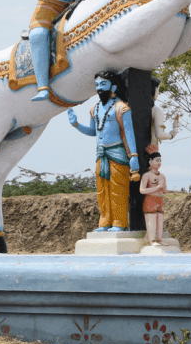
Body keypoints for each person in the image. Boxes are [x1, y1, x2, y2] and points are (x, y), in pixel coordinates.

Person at [67, 71, 140, 231]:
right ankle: (105, 222)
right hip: (100, 154)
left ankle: (119, 223)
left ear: (113, 87)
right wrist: (76, 124)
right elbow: (93, 131)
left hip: (117, 153)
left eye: (103, 84)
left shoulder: (121, 108)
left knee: (118, 189)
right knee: (102, 190)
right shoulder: (95, 108)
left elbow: (129, 133)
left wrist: (134, 155)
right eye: (97, 85)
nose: (99, 88)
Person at [139, 146, 167, 245]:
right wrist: (157, 187)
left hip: (160, 200)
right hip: (150, 200)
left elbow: (165, 191)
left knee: (160, 221)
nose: (159, 162)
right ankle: (151, 240)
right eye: (157, 160)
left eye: (160, 160)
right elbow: (142, 190)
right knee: (151, 221)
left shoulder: (162, 176)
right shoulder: (146, 175)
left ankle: (159, 239)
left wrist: (162, 186)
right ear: (150, 161)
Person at [150, 77, 177, 148]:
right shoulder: (156, 110)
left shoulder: (132, 109)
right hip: (151, 149)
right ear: (154, 90)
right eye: (158, 89)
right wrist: (171, 136)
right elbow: (159, 135)